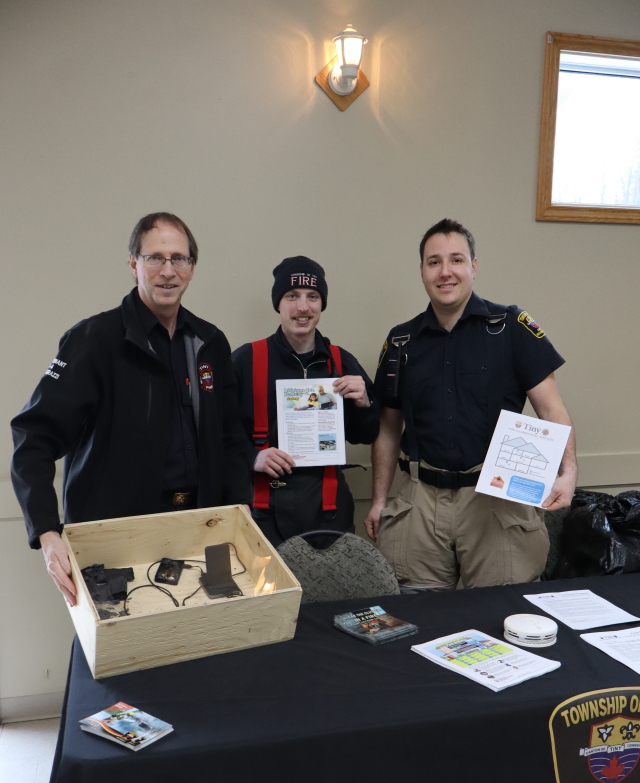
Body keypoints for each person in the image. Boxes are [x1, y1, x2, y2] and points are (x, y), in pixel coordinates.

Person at [11, 212, 251, 606]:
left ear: (192, 267)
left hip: (200, 531)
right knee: (124, 656)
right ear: (133, 263)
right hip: (114, 541)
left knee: (198, 649)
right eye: (155, 257)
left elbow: (230, 438)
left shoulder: (209, 342)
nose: (168, 271)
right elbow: (34, 437)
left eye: (179, 258)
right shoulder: (94, 340)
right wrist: (46, 531)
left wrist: (240, 510)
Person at [365, 218, 577, 589]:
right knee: (417, 618)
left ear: (474, 267)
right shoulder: (401, 341)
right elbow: (387, 428)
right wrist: (379, 500)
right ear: (422, 271)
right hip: (419, 500)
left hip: (495, 498)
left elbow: (552, 410)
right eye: (434, 262)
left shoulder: (511, 327)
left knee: (501, 615)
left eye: (456, 260)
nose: (445, 272)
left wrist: (569, 472)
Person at [232, 256, 380, 546]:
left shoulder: (341, 361)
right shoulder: (246, 361)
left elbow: (366, 435)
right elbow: (220, 433)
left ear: (322, 304)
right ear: (278, 303)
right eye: (292, 296)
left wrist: (364, 404)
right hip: (264, 509)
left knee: (331, 590)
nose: (303, 307)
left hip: (327, 508)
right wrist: (253, 457)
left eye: (312, 296)